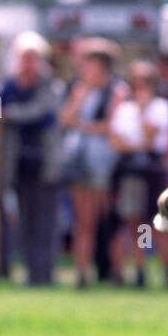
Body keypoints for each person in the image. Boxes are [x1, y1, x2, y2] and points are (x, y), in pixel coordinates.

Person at [0, 31, 66, 286]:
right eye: (24, 58)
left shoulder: (53, 87)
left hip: (46, 167)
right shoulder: (8, 86)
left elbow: (41, 113)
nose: (28, 64)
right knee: (24, 225)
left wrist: (9, 113)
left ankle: (45, 275)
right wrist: (1, 104)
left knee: (46, 225)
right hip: (18, 167)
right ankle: (30, 274)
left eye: (33, 58)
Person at [59, 37, 126, 287]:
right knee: (82, 221)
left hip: (105, 163)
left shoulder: (116, 90)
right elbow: (65, 119)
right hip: (79, 160)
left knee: (108, 219)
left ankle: (117, 271)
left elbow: (112, 125)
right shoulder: (80, 88)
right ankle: (82, 273)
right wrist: (80, 96)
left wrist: (83, 125)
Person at [108, 60, 168, 287]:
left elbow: (151, 138)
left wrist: (143, 110)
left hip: (151, 170)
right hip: (130, 170)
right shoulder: (124, 109)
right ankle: (139, 266)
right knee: (135, 221)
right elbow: (116, 142)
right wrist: (138, 144)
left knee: (154, 221)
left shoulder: (161, 107)